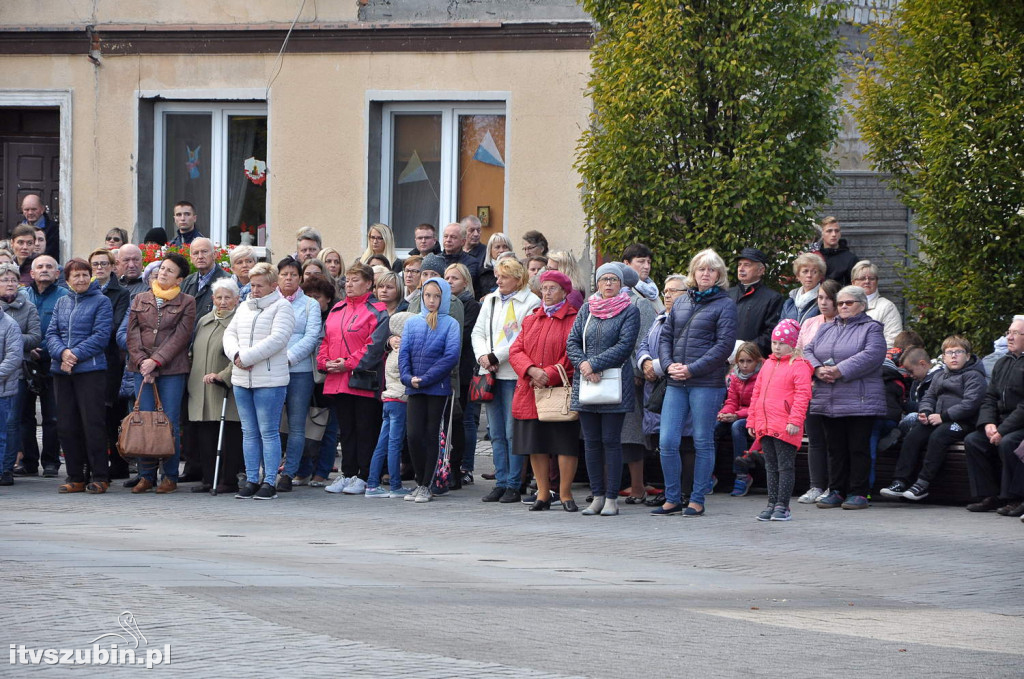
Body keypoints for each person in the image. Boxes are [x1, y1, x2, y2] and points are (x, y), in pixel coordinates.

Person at [654, 250, 737, 517]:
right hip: (677, 381)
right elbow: (666, 337)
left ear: (719, 275)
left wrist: (692, 369)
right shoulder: (680, 302)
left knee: (702, 440)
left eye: (711, 270)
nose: (705, 273)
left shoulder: (725, 305)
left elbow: (723, 346)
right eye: (701, 269)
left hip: (706, 383)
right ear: (693, 273)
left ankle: (697, 498)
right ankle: (672, 497)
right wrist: (668, 366)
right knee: (667, 441)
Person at [567, 262, 641, 516]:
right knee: (591, 442)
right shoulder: (587, 308)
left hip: (614, 382)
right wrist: (585, 366)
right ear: (597, 283)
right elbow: (573, 341)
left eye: (613, 279)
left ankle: (611, 498)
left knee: (611, 441)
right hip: (586, 382)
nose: (608, 283)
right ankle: (596, 496)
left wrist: (595, 364)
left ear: (621, 284)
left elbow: (625, 345)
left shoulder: (629, 311)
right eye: (604, 279)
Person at [804, 285, 887, 509]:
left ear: (862, 305)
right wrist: (817, 369)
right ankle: (837, 490)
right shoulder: (825, 329)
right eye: (840, 303)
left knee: (858, 447)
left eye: (848, 303)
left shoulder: (872, 329)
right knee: (835, 447)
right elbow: (807, 350)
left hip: (860, 399)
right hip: (829, 397)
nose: (842, 307)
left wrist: (839, 370)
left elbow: (872, 355)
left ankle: (859, 492)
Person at [881, 335, 987, 502]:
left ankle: (922, 483)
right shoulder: (940, 376)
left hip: (963, 422)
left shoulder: (974, 376)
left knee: (939, 436)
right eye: (949, 352)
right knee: (914, 436)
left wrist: (943, 417)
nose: (953, 356)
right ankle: (900, 481)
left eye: (958, 352)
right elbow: (929, 397)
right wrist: (926, 412)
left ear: (967, 356)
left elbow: (970, 404)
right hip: (938, 418)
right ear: (943, 357)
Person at [508, 270, 580, 511]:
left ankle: (565, 493)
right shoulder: (531, 319)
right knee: (535, 444)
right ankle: (542, 493)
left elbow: (572, 354)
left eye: (552, 288)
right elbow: (516, 350)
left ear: (564, 292)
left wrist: (547, 375)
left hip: (558, 392)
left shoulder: (573, 318)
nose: (547, 293)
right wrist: (530, 370)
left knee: (564, 444)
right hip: (530, 390)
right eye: (544, 288)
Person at [126, 253, 197, 494]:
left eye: (169, 271)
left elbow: (181, 336)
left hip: (172, 369)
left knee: (168, 423)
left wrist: (156, 361)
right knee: (145, 420)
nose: (163, 273)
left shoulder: (187, 301)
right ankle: (146, 476)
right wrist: (142, 361)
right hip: (141, 368)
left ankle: (170, 475)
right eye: (162, 268)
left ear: (179, 279)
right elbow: (132, 333)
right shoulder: (140, 298)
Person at [223, 263, 294, 500]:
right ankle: (252, 479)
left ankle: (269, 481)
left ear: (273, 285)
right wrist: (236, 356)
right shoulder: (244, 307)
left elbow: (278, 338)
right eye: (252, 285)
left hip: (270, 381)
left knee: (268, 432)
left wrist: (247, 357)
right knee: (249, 432)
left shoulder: (282, 307)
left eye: (259, 285)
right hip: (242, 379)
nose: (254, 289)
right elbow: (229, 334)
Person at [472, 257, 540, 503]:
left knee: (512, 432)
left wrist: (495, 356)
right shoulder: (490, 300)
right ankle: (500, 482)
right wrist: (482, 356)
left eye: (503, 276)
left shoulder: (531, 302)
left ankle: (514, 482)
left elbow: (521, 337)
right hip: (489, 373)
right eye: (497, 276)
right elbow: (478, 331)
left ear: (517, 278)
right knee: (496, 433)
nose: (497, 280)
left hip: (512, 373)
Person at [320, 263, 390, 495]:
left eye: (355, 280)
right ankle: (348, 473)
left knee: (365, 428)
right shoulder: (337, 308)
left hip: (363, 381)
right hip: (337, 380)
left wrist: (348, 364)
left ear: (369, 283)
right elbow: (326, 340)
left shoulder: (378, 311)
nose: (349, 284)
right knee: (346, 430)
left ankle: (365, 475)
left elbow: (374, 346)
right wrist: (324, 362)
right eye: (347, 280)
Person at [46, 259, 112, 493]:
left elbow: (101, 335)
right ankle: (75, 476)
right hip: (62, 372)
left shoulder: (101, 301)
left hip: (90, 371)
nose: (82, 279)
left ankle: (100, 476)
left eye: (85, 274)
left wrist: (73, 354)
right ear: (67, 279)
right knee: (66, 425)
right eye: (76, 276)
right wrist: (62, 353)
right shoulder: (62, 301)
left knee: (92, 423)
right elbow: (51, 333)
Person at [399, 278, 462, 503]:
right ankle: (419, 481)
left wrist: (426, 378)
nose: (432, 300)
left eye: (437, 296)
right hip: (415, 387)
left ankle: (428, 483)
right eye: (428, 295)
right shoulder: (412, 322)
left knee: (431, 433)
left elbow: (451, 356)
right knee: (413, 435)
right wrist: (408, 378)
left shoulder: (450, 324)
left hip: (437, 388)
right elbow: (404, 353)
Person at [187, 278, 244, 494]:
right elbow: (194, 349)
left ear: (237, 300)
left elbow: (240, 355)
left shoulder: (239, 323)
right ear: (212, 299)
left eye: (227, 297)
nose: (223, 302)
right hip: (200, 387)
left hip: (224, 388)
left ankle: (228, 480)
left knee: (228, 433)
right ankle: (208, 478)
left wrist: (223, 376)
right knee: (205, 434)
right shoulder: (204, 321)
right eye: (219, 297)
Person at [963, 315, 1024, 515]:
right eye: (1009, 332)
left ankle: (1014, 498)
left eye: (1016, 333)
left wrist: (1002, 430)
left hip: (1018, 424)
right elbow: (990, 397)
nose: (1010, 337)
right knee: (974, 440)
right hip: (1000, 422)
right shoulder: (1002, 362)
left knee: (1009, 442)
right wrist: (988, 423)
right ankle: (988, 495)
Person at [638, 274, 689, 504]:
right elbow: (644, 344)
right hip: (654, 386)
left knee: (681, 442)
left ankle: (682, 491)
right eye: (665, 291)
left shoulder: (689, 318)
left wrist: (656, 367)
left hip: (676, 383)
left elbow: (682, 350)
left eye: (674, 291)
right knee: (661, 442)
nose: (667, 295)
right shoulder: (660, 317)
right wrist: (644, 362)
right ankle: (669, 490)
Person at [274, 257, 323, 492]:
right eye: (284, 274)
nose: (289, 278)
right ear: (277, 277)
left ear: (300, 277)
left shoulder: (310, 304)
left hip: (299, 371)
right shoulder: (269, 301)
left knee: (296, 424)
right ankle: (270, 470)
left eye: (293, 274)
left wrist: (289, 357)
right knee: (271, 424)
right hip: (270, 370)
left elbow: (312, 336)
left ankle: (289, 473)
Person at [18, 255, 68, 478]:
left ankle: (50, 462)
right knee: (24, 415)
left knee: (53, 416)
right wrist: (28, 350)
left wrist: (45, 348)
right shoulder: (21, 297)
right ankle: (29, 462)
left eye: (50, 267)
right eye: (40, 267)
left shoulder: (65, 297)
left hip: (53, 362)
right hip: (25, 363)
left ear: (58, 273)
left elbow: (65, 330)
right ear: (32, 273)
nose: (45, 270)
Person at [620, 244, 661, 504]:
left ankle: (638, 485)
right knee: (620, 432)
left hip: (636, 375)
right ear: (626, 264)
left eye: (648, 262)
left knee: (634, 432)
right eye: (640, 262)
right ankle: (620, 483)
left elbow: (644, 339)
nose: (645, 267)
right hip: (614, 374)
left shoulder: (648, 298)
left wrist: (638, 368)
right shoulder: (624, 294)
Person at [293, 276, 341, 487]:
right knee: (302, 425)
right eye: (309, 296)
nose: (313, 301)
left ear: (328, 299)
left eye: (317, 297)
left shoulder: (334, 317)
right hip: (304, 375)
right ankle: (303, 470)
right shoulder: (301, 315)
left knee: (328, 427)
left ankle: (322, 471)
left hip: (327, 377)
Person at [88, 248, 131, 480]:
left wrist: (91, 333)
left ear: (113, 267)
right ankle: (95, 464)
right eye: (95, 264)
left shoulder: (121, 293)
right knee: (93, 414)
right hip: (89, 360)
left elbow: (114, 326)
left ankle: (119, 464)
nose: (100, 268)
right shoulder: (84, 290)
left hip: (111, 361)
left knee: (113, 414)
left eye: (104, 264)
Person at [364, 311, 414, 499]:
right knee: (395, 444)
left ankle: (372, 484)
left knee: (382, 443)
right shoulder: (403, 351)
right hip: (399, 400)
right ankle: (395, 485)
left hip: (388, 400)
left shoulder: (393, 350)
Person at [0, 264, 39, 486]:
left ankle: (8, 467)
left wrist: (13, 340)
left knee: (11, 422)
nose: (10, 283)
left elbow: (35, 337)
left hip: (17, 373)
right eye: (5, 279)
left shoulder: (27, 308)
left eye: (13, 280)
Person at [444, 263, 481, 483]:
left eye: (454, 278)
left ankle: (464, 467)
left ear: (465, 282)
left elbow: (463, 335)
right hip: (449, 370)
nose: (449, 282)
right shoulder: (443, 304)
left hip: (465, 371)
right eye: (447, 278)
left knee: (465, 419)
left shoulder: (471, 306)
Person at [716, 342, 764, 497]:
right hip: (738, 413)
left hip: (756, 416)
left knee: (737, 427)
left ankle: (742, 475)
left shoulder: (762, 376)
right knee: (715, 427)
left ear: (757, 361)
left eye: (749, 361)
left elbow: (759, 405)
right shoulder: (735, 376)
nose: (744, 365)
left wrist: (737, 415)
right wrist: (724, 413)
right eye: (741, 361)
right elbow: (731, 401)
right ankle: (709, 474)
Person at [729, 247, 783, 358]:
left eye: (747, 265)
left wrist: (744, 349)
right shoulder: (728, 294)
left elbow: (772, 333)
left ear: (761, 270)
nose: (741, 269)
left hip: (754, 361)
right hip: (723, 359)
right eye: (739, 264)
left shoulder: (773, 298)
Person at [0, 293, 23, 487]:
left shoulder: (9, 324)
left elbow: (14, 358)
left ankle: (3, 470)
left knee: (2, 434)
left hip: (3, 390)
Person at [850, 260, 902, 347]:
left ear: (877, 282)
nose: (867, 281)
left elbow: (892, 341)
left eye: (871, 278)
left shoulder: (887, 307)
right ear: (853, 283)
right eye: (862, 278)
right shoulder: (844, 305)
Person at [181, 238, 230, 325]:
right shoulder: (186, 282)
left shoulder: (227, 281)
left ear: (214, 255)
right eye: (196, 253)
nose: (200, 256)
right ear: (191, 258)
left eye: (204, 252)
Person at [811, 216, 858, 286]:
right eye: (829, 231)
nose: (834, 234)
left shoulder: (850, 259)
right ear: (822, 234)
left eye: (837, 231)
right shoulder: (813, 257)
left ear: (840, 234)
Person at [782, 252, 825, 324]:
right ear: (798, 276)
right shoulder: (790, 302)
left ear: (820, 276)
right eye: (805, 271)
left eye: (814, 272)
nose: (809, 275)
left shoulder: (824, 300)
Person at [440, 222, 480, 289]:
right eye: (446, 236)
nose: (448, 240)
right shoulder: (436, 259)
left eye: (453, 237)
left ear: (463, 242)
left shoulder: (471, 263)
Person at [20, 194, 59, 260]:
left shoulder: (52, 229)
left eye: (34, 209)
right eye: (26, 210)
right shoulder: (19, 228)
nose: (30, 213)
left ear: (42, 209)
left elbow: (50, 252)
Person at [478, 233, 513, 299]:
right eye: (497, 247)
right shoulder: (482, 271)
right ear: (490, 251)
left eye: (505, 247)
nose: (501, 250)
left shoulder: (519, 269)